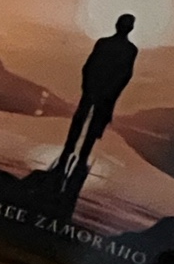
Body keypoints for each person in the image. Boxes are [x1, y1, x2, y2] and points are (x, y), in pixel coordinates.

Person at [57, 14, 138, 183]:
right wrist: (106, 91)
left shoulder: (107, 44)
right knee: (89, 123)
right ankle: (78, 155)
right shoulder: (126, 49)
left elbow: (91, 66)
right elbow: (123, 74)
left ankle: (71, 152)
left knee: (84, 121)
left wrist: (90, 87)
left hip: (97, 90)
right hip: (102, 92)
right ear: (130, 28)